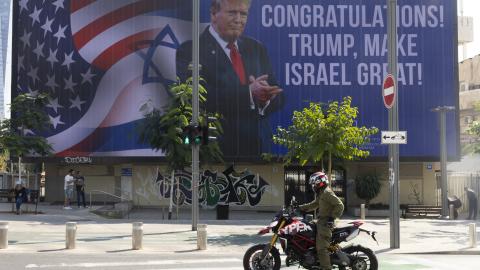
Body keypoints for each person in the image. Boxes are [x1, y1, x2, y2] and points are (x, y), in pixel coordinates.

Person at [176, 0, 284, 159]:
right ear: (213, 14)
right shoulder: (191, 50)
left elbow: (279, 96)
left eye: (243, 14)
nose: (238, 19)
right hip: (208, 152)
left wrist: (265, 98)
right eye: (232, 13)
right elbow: (196, 99)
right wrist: (249, 93)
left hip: (251, 152)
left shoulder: (255, 48)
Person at [299, 172, 344, 270]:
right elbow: (314, 204)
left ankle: (326, 268)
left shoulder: (327, 193)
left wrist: (332, 218)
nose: (313, 186)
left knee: (321, 249)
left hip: (326, 223)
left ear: (320, 182)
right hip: (321, 221)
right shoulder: (322, 193)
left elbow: (340, 205)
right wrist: (300, 208)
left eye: (314, 183)